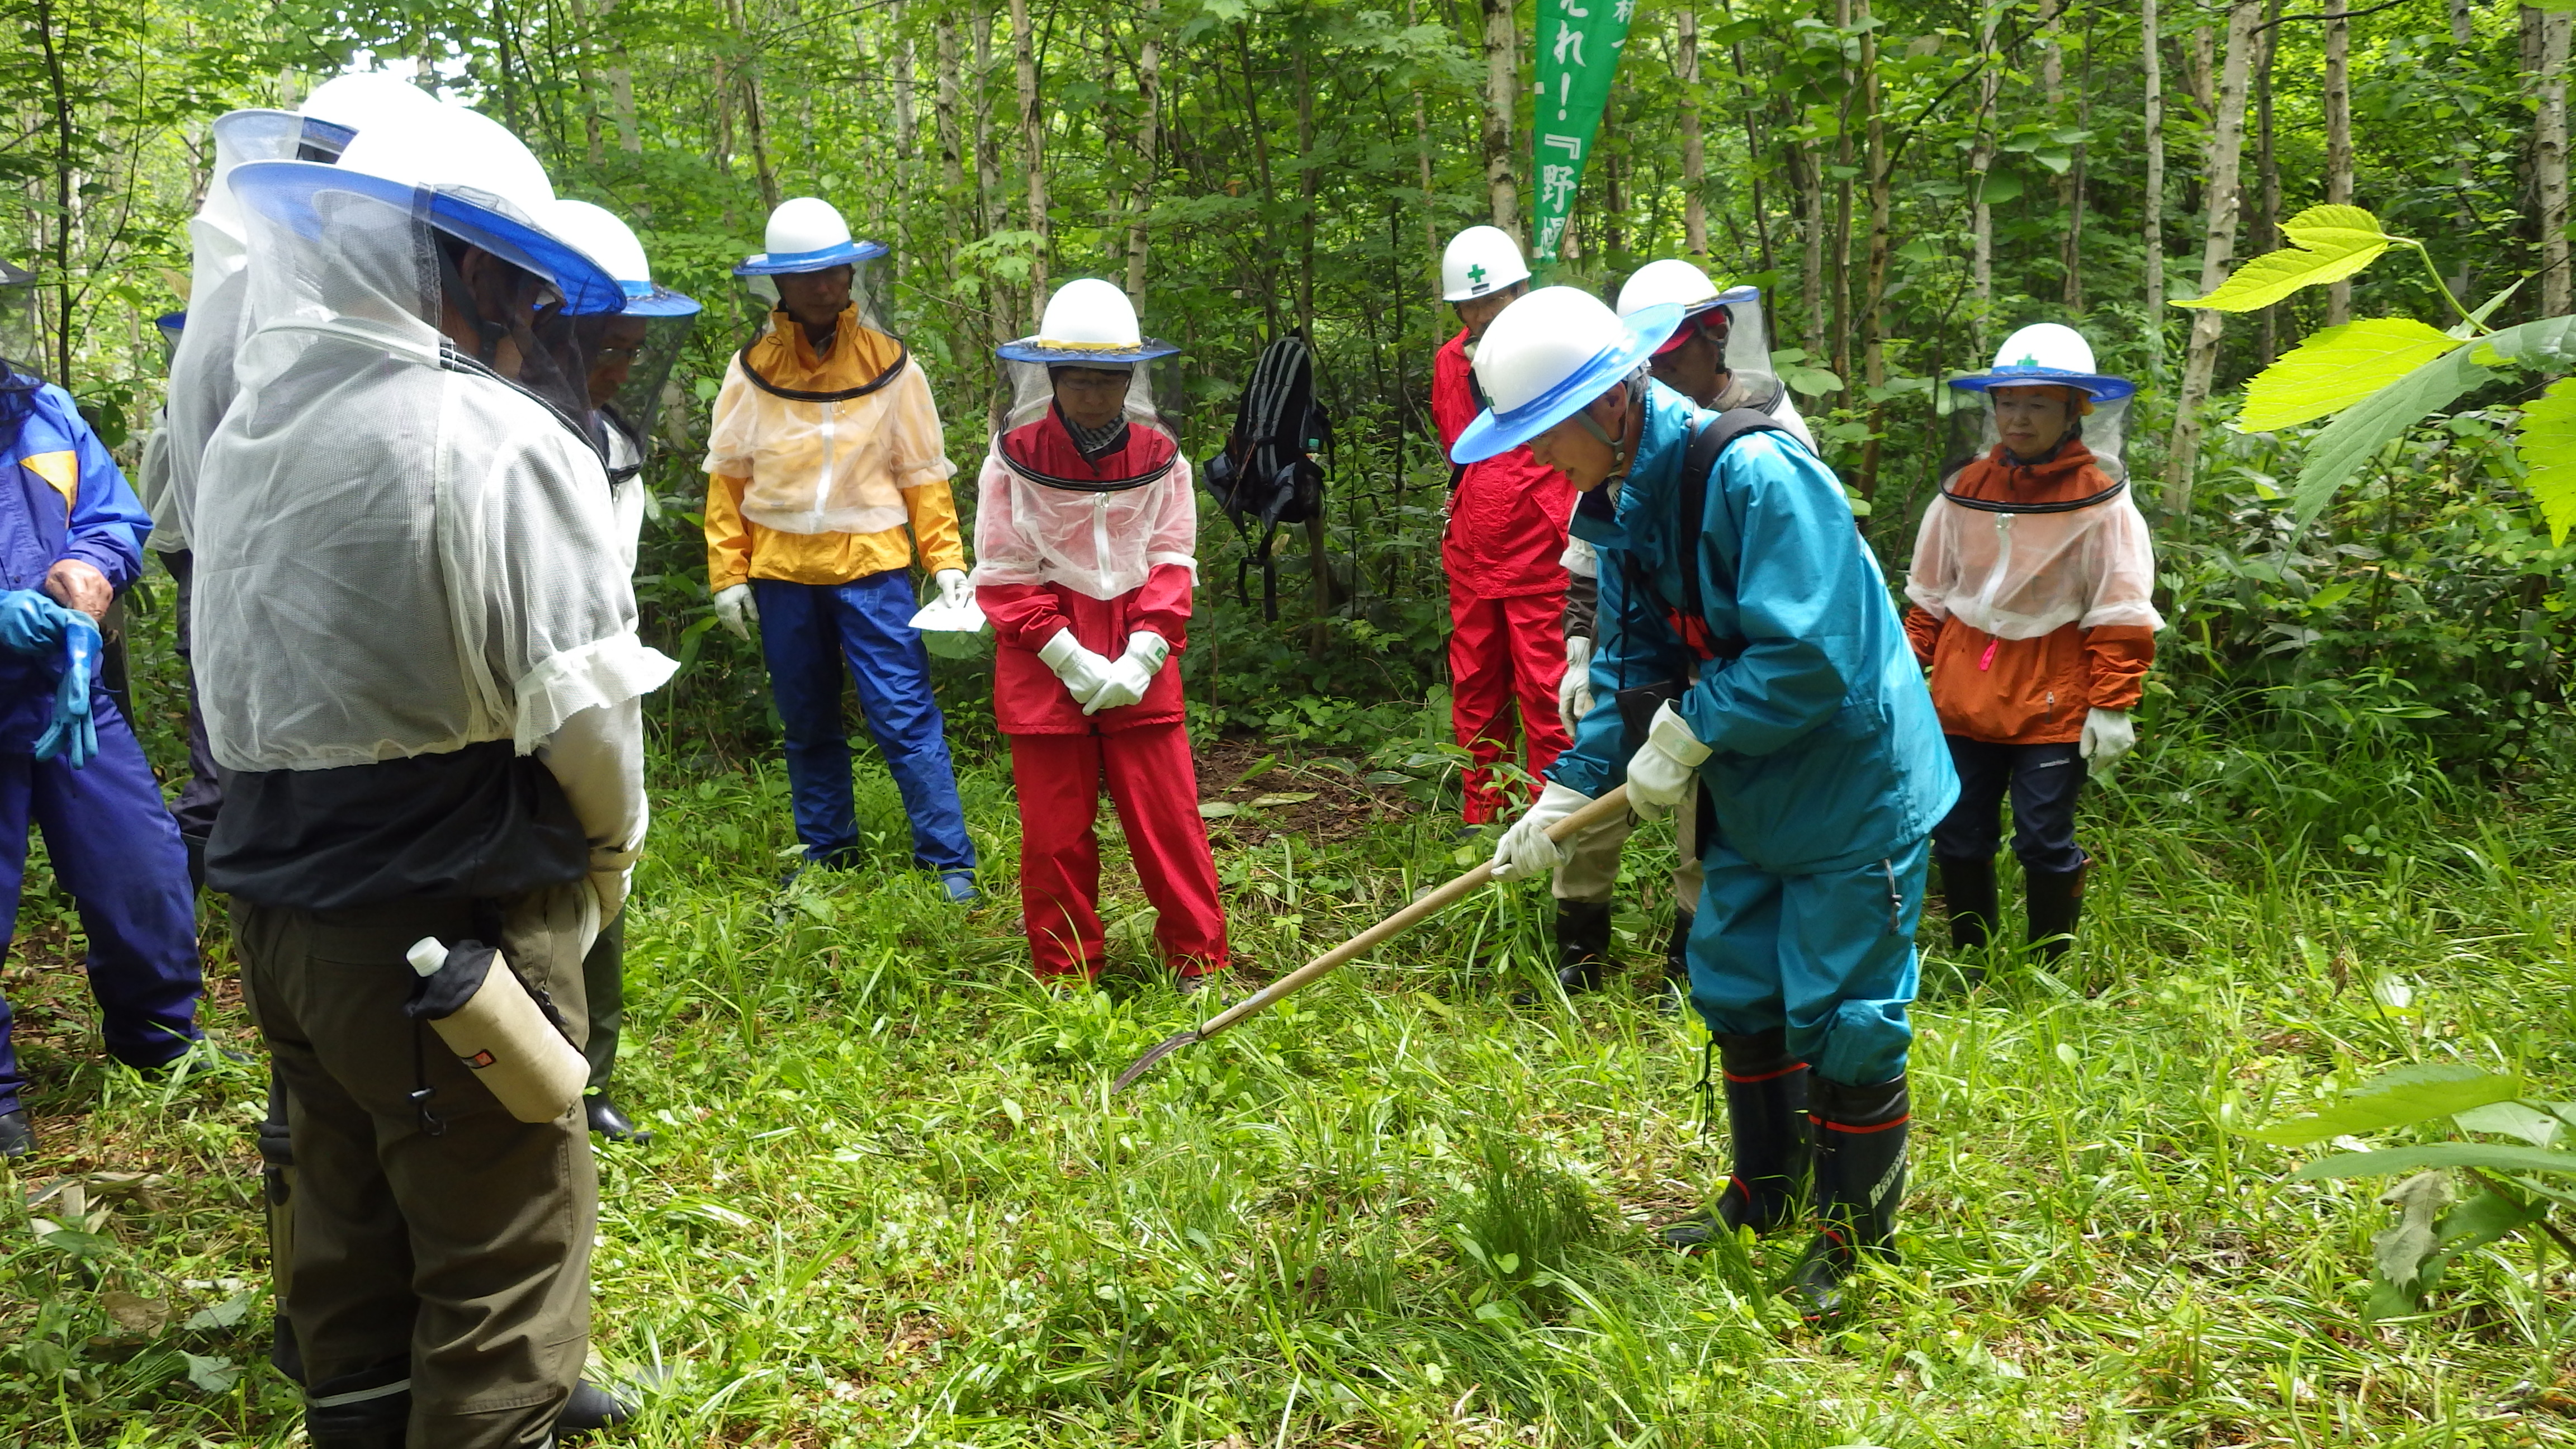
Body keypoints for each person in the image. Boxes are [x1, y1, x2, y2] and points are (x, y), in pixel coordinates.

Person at [196, 105, 660, 1445]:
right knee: (502, 1262)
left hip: (283, 919)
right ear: (466, 270)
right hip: (451, 925)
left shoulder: (252, 435)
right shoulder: (496, 438)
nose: (532, 316)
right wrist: (608, 863)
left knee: (346, 1242)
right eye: (518, 280)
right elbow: (587, 720)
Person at [1466, 287, 1956, 1318]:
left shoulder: (1755, 473)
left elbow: (1813, 653)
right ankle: (1763, 1192)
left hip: (1848, 781)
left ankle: (1854, 1238)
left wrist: (1689, 731)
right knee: (1735, 977)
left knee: (1843, 1008)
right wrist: (1566, 790)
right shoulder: (1625, 502)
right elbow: (1632, 664)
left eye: (1544, 434)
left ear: (1609, 403)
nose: (1537, 460)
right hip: (1748, 783)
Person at [159, 77, 441, 878]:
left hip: (256, 578)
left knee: (260, 782)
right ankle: (221, 917)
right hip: (260, 578)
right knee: (247, 784)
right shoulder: (260, 311)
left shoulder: (262, 298)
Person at [1545, 262, 1818, 1005]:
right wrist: (1583, 651)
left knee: (1707, 823)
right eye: (1648, 360)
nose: (1659, 372)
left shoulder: (1764, 448)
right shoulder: (1614, 442)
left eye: (1670, 354)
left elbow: (1797, 630)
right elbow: (1598, 559)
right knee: (1592, 792)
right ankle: (1579, 950)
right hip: (1644, 656)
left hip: (1732, 675)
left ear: (1715, 337)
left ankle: (1692, 961)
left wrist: (1701, 717)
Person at [704, 197, 978, 901]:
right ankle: (826, 854)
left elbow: (923, 473)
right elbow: (729, 476)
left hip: (873, 569)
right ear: (779, 283)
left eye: (834, 273)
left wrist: (947, 562)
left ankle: (949, 861)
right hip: (782, 571)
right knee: (806, 721)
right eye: (807, 276)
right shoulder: (750, 369)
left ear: (852, 275)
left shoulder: (893, 365)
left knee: (904, 714)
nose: (824, 287)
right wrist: (727, 573)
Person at [969, 279, 1229, 991]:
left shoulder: (1162, 455)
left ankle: (1198, 962)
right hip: (1041, 652)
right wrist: (1067, 655)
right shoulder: (1012, 456)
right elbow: (1003, 570)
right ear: (1052, 376)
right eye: (1079, 377)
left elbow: (1172, 555)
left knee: (1168, 816)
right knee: (1055, 829)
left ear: (1131, 378)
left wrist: (1146, 651)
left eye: (1108, 378)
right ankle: (1067, 975)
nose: (1093, 393)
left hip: (1141, 635)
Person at [0, 306, 203, 1160]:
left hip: (66, 689)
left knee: (141, 869)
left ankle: (160, 1043)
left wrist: (89, 570)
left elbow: (111, 514)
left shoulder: (39, 409)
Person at [1905, 324, 2157, 974]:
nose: (2018, 418)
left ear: (2075, 411)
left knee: (2044, 836)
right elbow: (1930, 598)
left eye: (2038, 404)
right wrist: (1903, 673)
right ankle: (1973, 961)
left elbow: (2120, 606)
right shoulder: (1966, 488)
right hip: (1963, 689)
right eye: (2008, 402)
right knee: (1958, 833)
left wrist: (2113, 701)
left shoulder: (2101, 501)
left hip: (2054, 692)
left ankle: (2049, 970)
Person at [537, 197, 703, 1143]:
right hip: (497, 694)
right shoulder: (492, 431)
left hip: (596, 685)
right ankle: (521, 1068)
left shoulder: (612, 442)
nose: (621, 368)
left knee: (604, 869)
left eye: (633, 351)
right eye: (606, 346)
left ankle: (588, 1075)